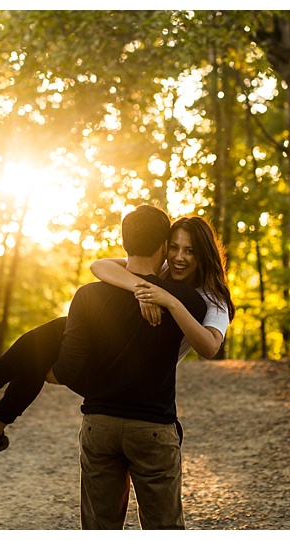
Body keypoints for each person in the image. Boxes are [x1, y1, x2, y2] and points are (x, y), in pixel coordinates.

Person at [0, 212, 234, 463]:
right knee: (51, 335)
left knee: (40, 352)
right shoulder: (165, 269)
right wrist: (142, 288)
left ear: (204, 254)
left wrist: (169, 300)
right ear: (164, 248)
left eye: (190, 251)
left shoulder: (211, 298)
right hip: (117, 356)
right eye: (174, 247)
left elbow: (209, 347)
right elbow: (100, 266)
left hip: (138, 379)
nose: (179, 257)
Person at [48, 206, 209, 529]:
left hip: (99, 423)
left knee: (99, 527)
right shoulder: (188, 301)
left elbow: (69, 368)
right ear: (164, 247)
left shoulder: (87, 295)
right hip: (152, 428)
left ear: (124, 243)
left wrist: (45, 372)